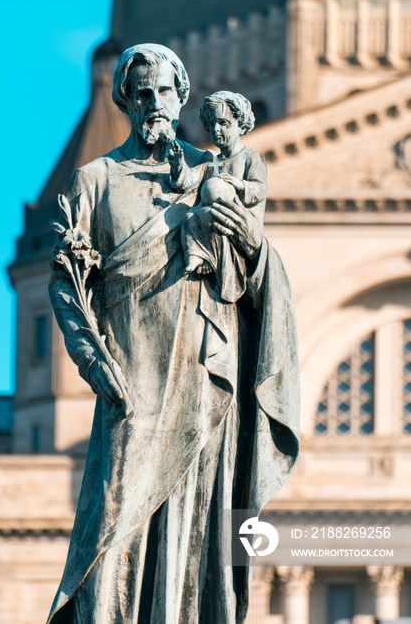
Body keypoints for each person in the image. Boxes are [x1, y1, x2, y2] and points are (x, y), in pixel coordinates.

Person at [47, 43, 300, 624]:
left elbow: (255, 279)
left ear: (182, 96)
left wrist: (255, 245)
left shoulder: (211, 174)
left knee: (197, 533)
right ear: (125, 101)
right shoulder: (96, 179)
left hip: (204, 379)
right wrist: (92, 361)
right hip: (130, 382)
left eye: (163, 90)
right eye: (140, 92)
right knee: (112, 536)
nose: (153, 102)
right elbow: (66, 283)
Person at [179, 91, 267, 303]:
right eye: (211, 125)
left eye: (223, 123)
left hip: (239, 218)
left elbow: (260, 189)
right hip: (211, 213)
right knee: (189, 218)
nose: (216, 130)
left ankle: (224, 268)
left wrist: (239, 185)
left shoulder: (251, 157)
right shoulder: (212, 161)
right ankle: (198, 256)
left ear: (240, 124)